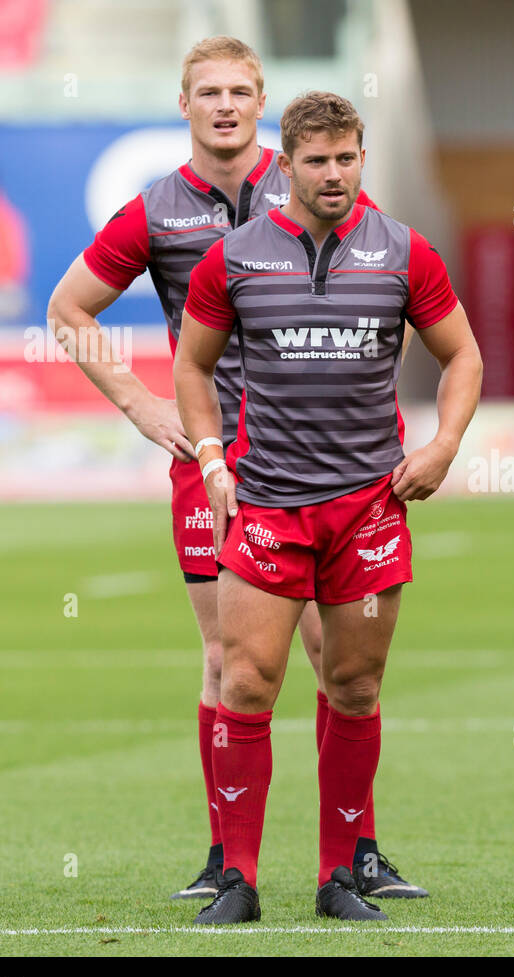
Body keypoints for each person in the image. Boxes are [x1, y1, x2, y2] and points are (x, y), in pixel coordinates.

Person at [46, 39, 426, 904]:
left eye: (240, 91)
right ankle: (228, 862)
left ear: (262, 103)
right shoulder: (156, 212)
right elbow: (67, 310)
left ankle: (356, 853)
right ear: (183, 104)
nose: (225, 105)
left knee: (343, 658)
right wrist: (146, 409)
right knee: (228, 658)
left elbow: (389, 289)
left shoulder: (313, 180)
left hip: (332, 459)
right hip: (219, 460)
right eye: (208, 92)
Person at [175, 90, 482, 922]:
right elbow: (192, 367)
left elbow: (462, 355)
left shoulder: (404, 253)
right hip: (270, 505)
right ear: (288, 165)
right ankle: (235, 878)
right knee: (245, 681)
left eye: (348, 157)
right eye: (318, 160)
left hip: (369, 511)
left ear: (361, 158)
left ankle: (339, 877)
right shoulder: (233, 258)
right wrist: (210, 456)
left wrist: (443, 447)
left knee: (354, 685)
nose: (335, 173)